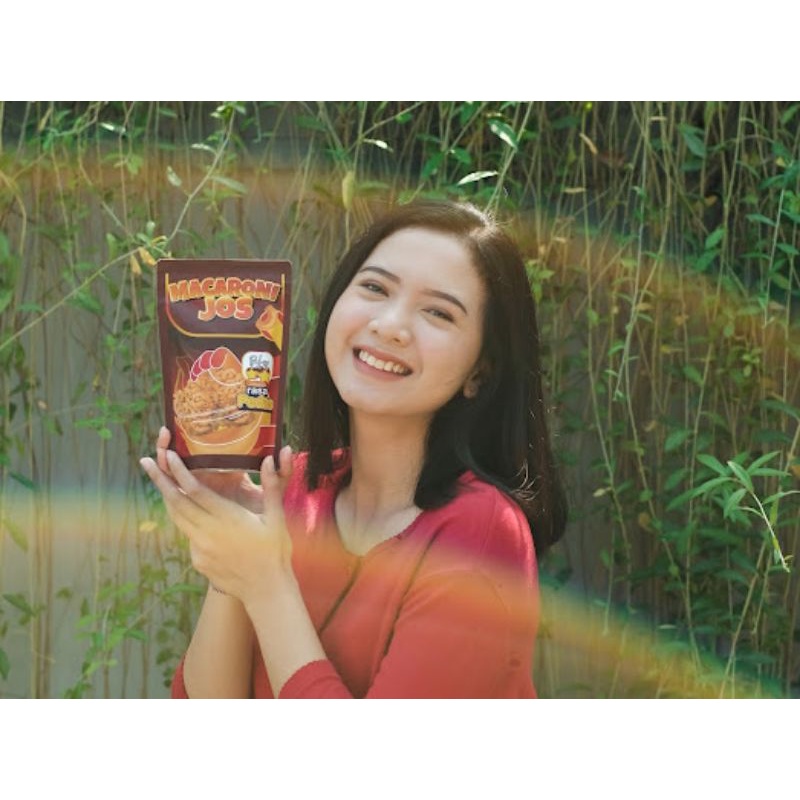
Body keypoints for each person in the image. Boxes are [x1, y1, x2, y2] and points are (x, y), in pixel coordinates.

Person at [140, 199, 567, 698]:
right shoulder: (294, 489)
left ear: (480, 371)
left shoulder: (482, 536)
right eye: (375, 288)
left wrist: (266, 583)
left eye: (438, 312)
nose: (389, 324)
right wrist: (233, 563)